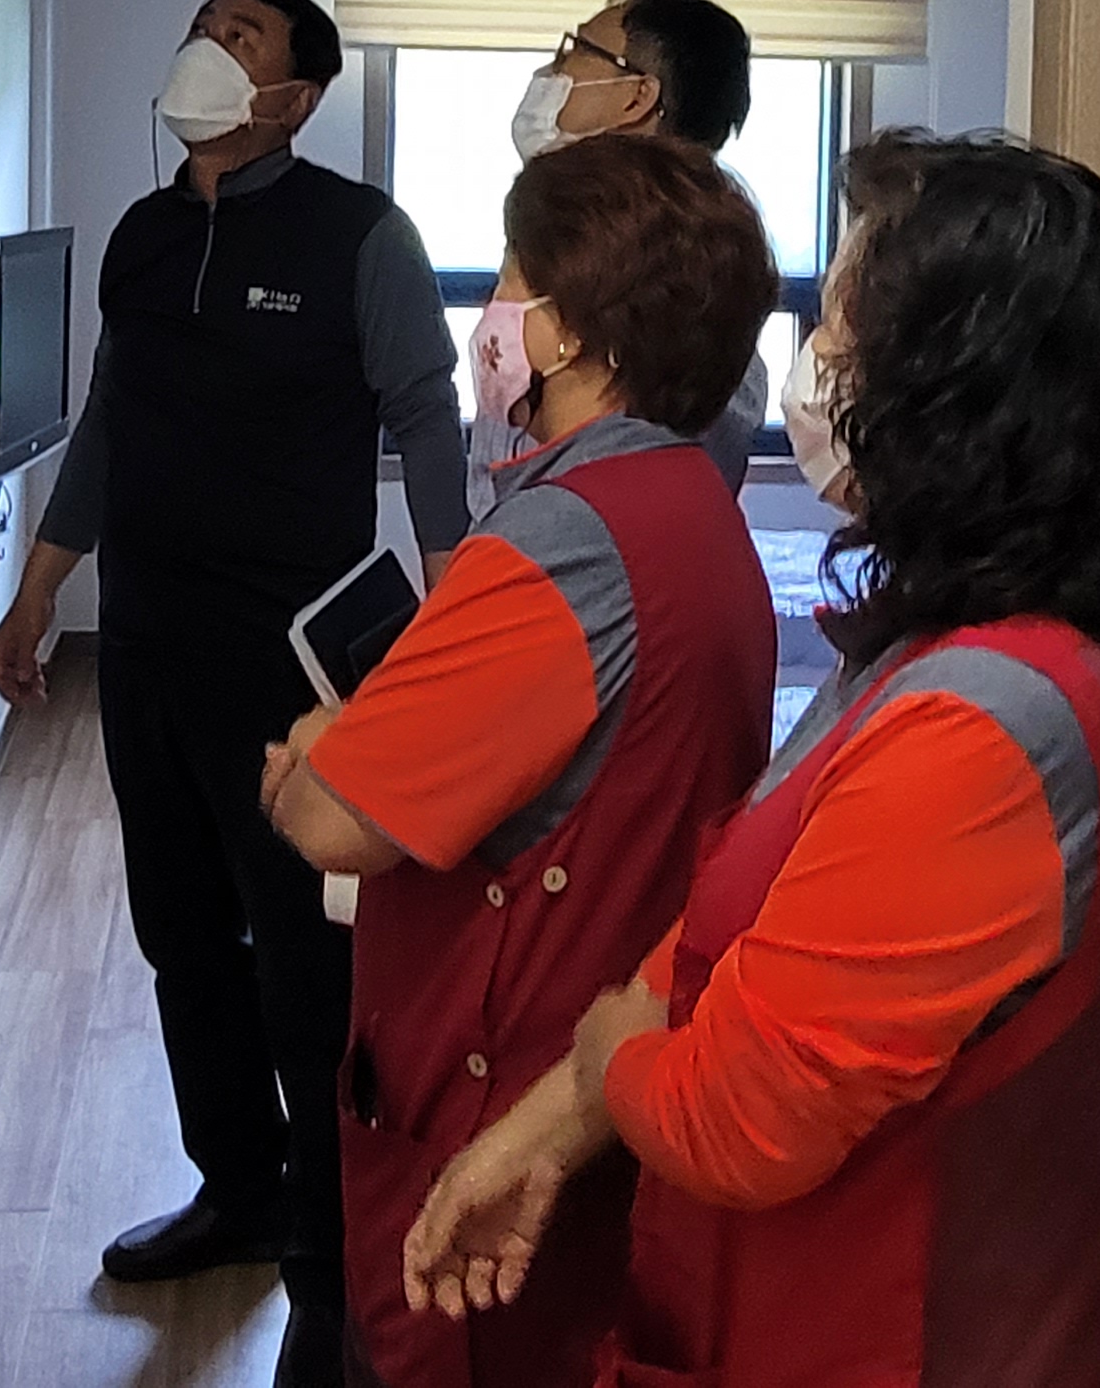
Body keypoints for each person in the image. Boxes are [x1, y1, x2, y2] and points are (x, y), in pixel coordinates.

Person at [398, 132, 1100, 1388]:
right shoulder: (945, 650)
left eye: (841, 330)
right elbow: (758, 925)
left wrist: (611, 1048)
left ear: (946, 386)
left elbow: (733, 1117)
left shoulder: (986, 733)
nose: (813, 362)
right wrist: (550, 1129)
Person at [0, 0, 472, 1387]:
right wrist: (42, 581)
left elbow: (424, 417)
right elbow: (108, 418)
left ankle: (329, 1270)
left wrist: (455, 600)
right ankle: (238, 1191)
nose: (206, 44)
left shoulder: (359, 236)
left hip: (289, 663)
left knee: (308, 969)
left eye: (240, 35)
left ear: (293, 97)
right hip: (146, 645)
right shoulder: (143, 236)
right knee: (181, 935)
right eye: (203, 22)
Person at [257, 134, 782, 1388]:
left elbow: (335, 818)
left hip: (483, 1137)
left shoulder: (560, 543)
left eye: (508, 278)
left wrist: (316, 754)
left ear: (568, 331)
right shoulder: (694, 507)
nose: (490, 313)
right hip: (599, 1101)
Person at [470, 0, 774, 503]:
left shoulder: (693, 285)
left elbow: (652, 504)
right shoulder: (560, 240)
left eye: (578, 49)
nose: (555, 68)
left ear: (638, 96)